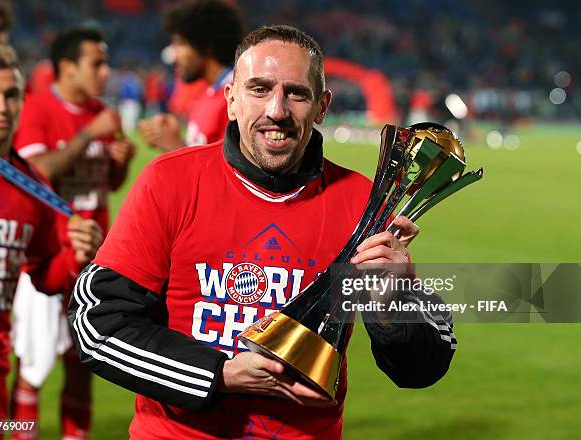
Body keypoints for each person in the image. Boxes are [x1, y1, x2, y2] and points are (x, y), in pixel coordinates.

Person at [68, 25, 456, 439]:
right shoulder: (170, 181)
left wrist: (391, 303)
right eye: (259, 89)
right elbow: (98, 324)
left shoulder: (362, 202)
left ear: (322, 106)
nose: (276, 110)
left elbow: (423, 367)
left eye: (296, 93)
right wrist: (221, 373)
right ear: (231, 99)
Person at [0, 44, 102, 439]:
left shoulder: (32, 188)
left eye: (11, 95)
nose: (1, 107)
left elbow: (46, 274)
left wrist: (77, 256)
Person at [11, 27, 135, 439]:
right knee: (34, 362)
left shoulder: (101, 112)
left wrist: (120, 160)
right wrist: (88, 136)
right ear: (67, 67)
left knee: (84, 361)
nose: (105, 71)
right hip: (47, 255)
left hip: (95, 258)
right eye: (96, 63)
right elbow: (36, 172)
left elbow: (107, 185)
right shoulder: (37, 109)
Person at [138, 0, 245, 151]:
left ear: (205, 45)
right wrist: (173, 138)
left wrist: (174, 146)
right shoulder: (208, 95)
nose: (174, 56)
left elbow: (229, 173)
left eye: (180, 44)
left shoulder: (235, 100)